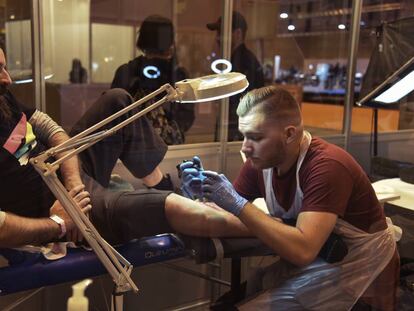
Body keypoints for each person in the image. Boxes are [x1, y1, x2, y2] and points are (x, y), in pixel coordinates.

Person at [0, 47, 251, 248]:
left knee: (117, 100)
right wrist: (59, 223)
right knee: (173, 206)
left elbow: (52, 131)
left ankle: (160, 185)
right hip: (53, 207)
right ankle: (267, 229)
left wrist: (74, 183)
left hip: (67, 178)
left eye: (5, 67)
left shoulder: (3, 98)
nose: (7, 79)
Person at [181, 86, 399, 310]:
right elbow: (226, 213)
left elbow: (303, 250)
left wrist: (237, 203)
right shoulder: (259, 162)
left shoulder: (327, 166)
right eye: (244, 136)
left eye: (256, 137)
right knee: (226, 304)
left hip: (359, 272)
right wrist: (202, 195)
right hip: (319, 263)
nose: (245, 148)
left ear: (289, 134)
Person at [111, 15, 194, 145]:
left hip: (132, 149)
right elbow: (187, 116)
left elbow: (113, 115)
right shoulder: (178, 75)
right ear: (171, 43)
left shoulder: (126, 72)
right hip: (171, 150)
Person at [207, 11, 264, 141]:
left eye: (221, 33)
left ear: (237, 33)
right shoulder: (234, 60)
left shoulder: (243, 63)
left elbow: (245, 105)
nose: (218, 37)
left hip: (236, 134)